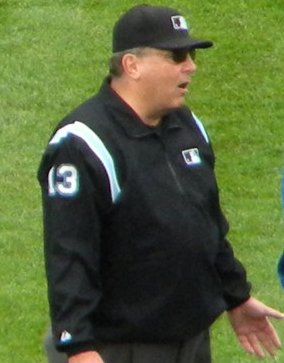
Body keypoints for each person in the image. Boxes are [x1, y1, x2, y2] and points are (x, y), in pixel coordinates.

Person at [38, 5, 284, 363]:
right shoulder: (83, 143)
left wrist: (236, 296)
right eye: (176, 56)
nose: (191, 66)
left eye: (191, 55)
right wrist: (77, 346)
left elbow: (206, 222)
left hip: (190, 341)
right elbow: (70, 252)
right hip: (118, 348)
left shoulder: (185, 125)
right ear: (131, 65)